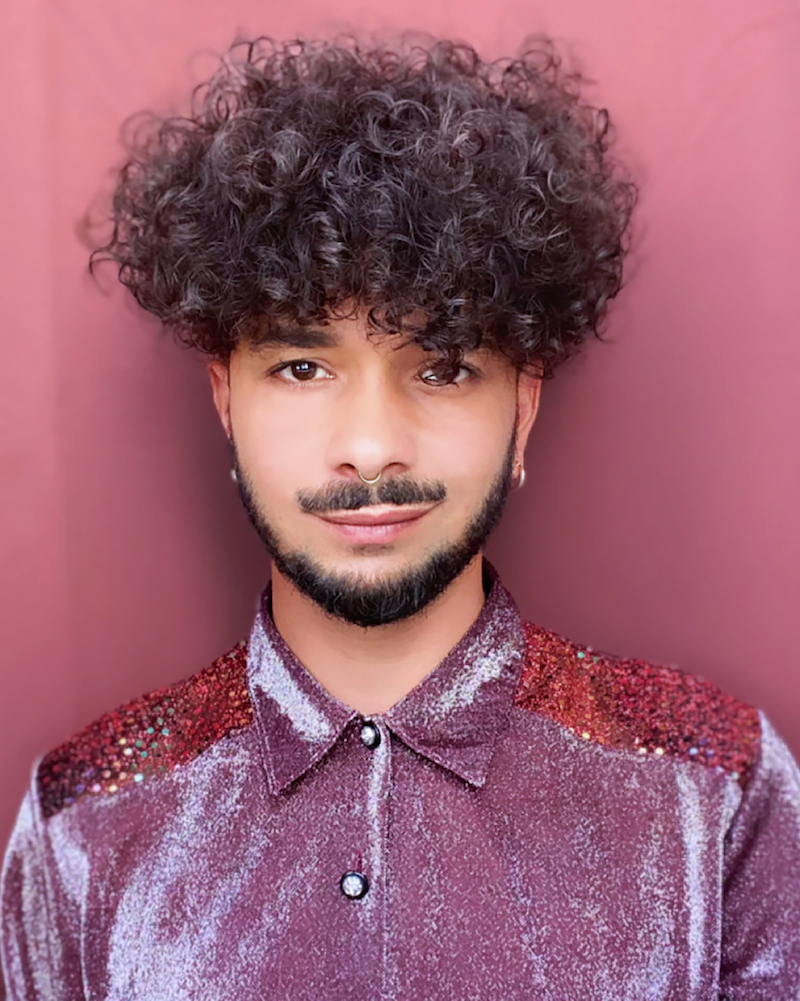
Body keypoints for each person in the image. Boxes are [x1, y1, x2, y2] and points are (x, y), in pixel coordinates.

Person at [2, 34, 799, 1001]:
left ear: (525, 405)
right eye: (302, 367)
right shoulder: (83, 823)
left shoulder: (716, 792)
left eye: (444, 365)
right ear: (225, 399)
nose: (373, 446)